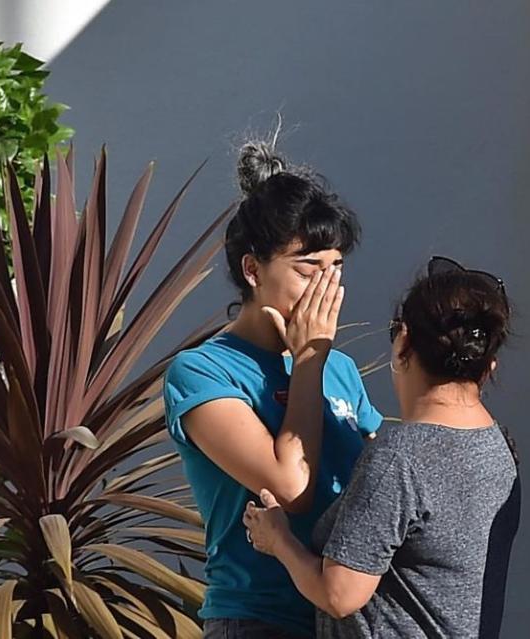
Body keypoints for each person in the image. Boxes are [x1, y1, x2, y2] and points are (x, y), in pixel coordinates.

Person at [163, 139, 383, 639]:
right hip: (259, 619)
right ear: (252, 269)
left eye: (336, 268)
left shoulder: (339, 368)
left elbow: (376, 490)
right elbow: (290, 489)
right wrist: (306, 363)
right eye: (308, 269)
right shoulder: (203, 372)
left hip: (346, 617)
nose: (327, 288)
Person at [243, 256, 521, 638]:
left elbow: (338, 594)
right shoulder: (499, 447)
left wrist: (279, 539)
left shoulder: (401, 457)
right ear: (487, 366)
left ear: (403, 342)